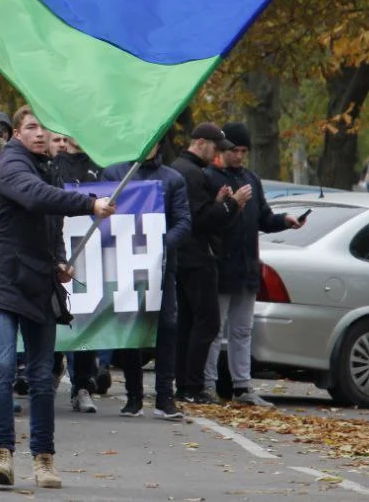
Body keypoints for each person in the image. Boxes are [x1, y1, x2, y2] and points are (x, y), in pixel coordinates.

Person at [0, 106, 115, 488]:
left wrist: (59, 261)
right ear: (18, 133)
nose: (40, 134)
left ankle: (43, 459)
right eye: (32, 127)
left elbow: (50, 226)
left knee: (42, 376)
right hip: (2, 281)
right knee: (4, 367)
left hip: (39, 284)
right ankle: (2, 453)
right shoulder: (11, 165)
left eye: (46, 128)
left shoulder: (50, 167)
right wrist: (88, 204)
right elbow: (36, 198)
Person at [204, 123, 303, 406]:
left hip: (247, 266)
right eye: (235, 150)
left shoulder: (251, 179)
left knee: (242, 330)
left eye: (244, 151)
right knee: (215, 329)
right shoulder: (210, 177)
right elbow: (210, 219)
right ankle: (208, 384)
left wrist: (284, 221)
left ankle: (242, 385)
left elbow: (263, 218)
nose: (239, 156)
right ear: (223, 150)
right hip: (221, 264)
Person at [101, 141, 192, 421]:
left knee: (166, 327)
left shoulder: (172, 178)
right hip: (125, 265)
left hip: (162, 266)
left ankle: (165, 397)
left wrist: (160, 246)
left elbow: (184, 222)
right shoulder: (114, 174)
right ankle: (133, 397)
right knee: (130, 328)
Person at [170, 122, 246, 404]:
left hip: (184, 256)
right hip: (196, 257)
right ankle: (192, 385)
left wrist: (217, 203)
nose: (216, 154)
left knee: (188, 323)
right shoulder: (192, 173)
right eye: (215, 147)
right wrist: (231, 204)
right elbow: (200, 219)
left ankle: (184, 384)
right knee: (208, 321)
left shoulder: (179, 168)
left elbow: (196, 211)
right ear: (201, 142)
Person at [49, 138, 105, 414]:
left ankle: (83, 385)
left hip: (90, 253)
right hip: (58, 248)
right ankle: (51, 370)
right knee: (56, 315)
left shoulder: (100, 164)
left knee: (85, 320)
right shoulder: (53, 164)